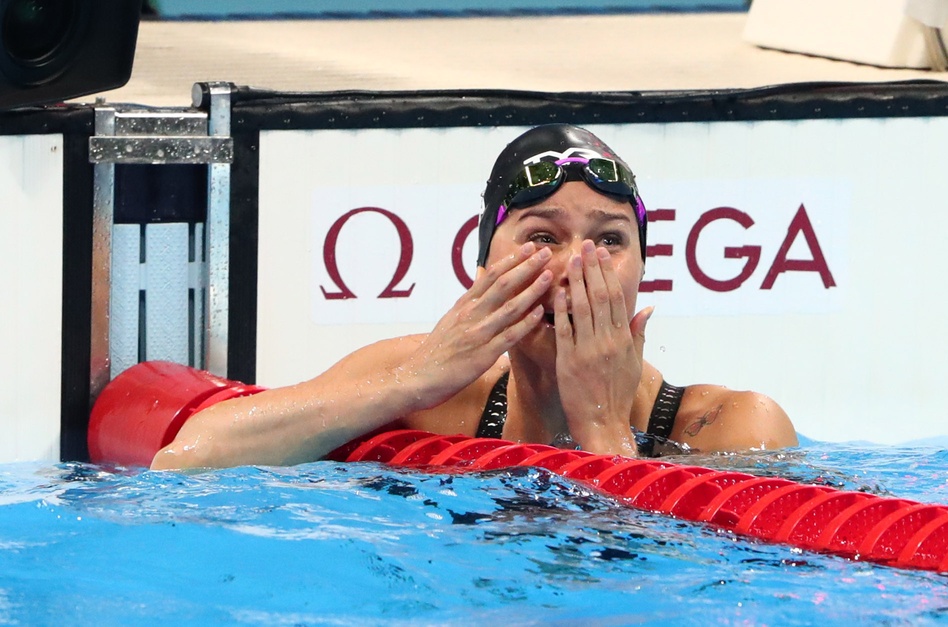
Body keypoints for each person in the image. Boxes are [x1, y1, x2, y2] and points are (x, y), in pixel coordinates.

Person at [151, 124, 797, 470]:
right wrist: (409, 382)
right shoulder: (434, 390)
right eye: (543, 235)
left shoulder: (732, 430)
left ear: (642, 272)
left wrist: (602, 429)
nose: (576, 266)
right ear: (480, 265)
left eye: (609, 241)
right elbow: (187, 459)